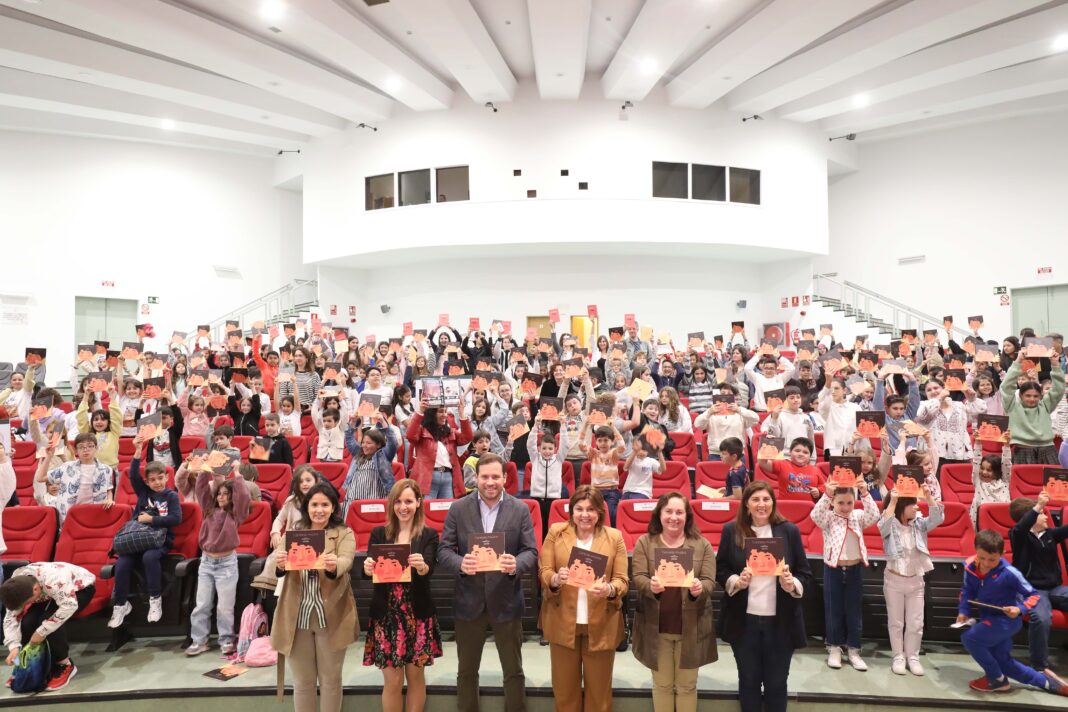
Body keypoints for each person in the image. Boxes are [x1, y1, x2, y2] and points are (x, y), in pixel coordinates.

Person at [436, 454, 538, 712]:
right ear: (476, 477)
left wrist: (516, 563)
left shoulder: (520, 509)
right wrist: (460, 563)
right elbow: (444, 551)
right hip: (468, 601)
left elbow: (530, 551)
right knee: (466, 672)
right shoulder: (458, 508)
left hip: (506, 601)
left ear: (505, 477)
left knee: (513, 671)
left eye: (495, 476)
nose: (490, 482)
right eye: (485, 477)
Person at [716, 481, 812, 712]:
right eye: (756, 499)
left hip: (781, 621)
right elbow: (721, 569)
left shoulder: (789, 531)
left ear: (773, 502)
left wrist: (791, 584)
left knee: (777, 683)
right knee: (748, 681)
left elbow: (805, 573)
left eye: (766, 499)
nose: (762, 504)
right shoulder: (731, 530)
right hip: (744, 621)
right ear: (746, 504)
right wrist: (736, 581)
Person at [538, 486, 627, 712]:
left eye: (591, 509)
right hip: (562, 621)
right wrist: (555, 579)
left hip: (601, 624)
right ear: (571, 511)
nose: (585, 514)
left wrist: (609, 589)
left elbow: (622, 580)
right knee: (565, 693)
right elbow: (544, 571)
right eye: (579, 509)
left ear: (600, 512)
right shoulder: (556, 532)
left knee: (599, 695)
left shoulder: (614, 537)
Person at [272, 483, 359, 712]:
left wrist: (334, 565)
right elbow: (278, 565)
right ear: (307, 507)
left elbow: (346, 560)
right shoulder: (294, 532)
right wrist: (280, 564)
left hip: (331, 616)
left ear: (333, 507)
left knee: (331, 681)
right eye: (314, 505)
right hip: (296, 616)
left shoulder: (344, 533)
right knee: (302, 682)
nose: (319, 510)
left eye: (325, 505)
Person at [632, 492, 716, 712]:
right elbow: (638, 576)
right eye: (668, 511)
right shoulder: (645, 542)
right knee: (662, 685)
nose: (674, 517)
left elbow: (709, 581)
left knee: (687, 686)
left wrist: (700, 588)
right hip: (656, 627)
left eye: (679, 512)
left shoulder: (702, 544)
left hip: (691, 628)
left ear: (687, 516)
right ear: (659, 514)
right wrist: (649, 586)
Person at [363, 479, 442, 712]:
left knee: (416, 677)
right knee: (393, 681)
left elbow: (429, 570)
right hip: (386, 616)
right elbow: (369, 571)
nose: (403, 507)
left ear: (418, 502)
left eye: (408, 501)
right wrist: (366, 568)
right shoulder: (379, 533)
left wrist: (422, 566)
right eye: (398, 502)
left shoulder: (429, 535)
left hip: (418, 614)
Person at [957, 530, 1067, 695]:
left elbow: (1034, 595)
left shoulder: (1010, 573)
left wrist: (1020, 609)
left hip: (1007, 621)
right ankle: (1048, 683)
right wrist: (963, 611)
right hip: (988, 618)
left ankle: (996, 679)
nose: (986, 563)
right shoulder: (970, 566)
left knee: (970, 638)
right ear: (975, 550)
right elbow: (967, 592)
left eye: (992, 559)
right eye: (982, 558)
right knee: (1005, 663)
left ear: (1002, 554)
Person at [108, 435, 183, 628]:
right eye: (152, 480)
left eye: (160, 478)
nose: (157, 482)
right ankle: (120, 604)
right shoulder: (144, 493)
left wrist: (152, 519)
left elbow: (176, 518)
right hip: (137, 538)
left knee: (149, 558)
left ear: (167, 477)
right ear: (147, 482)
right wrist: (137, 451)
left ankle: (155, 599)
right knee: (122, 563)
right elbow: (133, 474)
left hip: (160, 540)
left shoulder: (171, 496)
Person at [810, 480, 879, 670]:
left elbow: (874, 515)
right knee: (833, 610)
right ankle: (834, 647)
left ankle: (854, 650)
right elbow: (815, 515)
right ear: (833, 502)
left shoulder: (858, 516)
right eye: (841, 503)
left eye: (849, 502)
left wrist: (865, 493)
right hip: (833, 569)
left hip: (855, 570)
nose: (846, 507)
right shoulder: (829, 517)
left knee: (854, 611)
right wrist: (827, 494)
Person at [186, 463, 251, 656]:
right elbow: (201, 489)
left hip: (226, 565)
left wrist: (237, 473)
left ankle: (226, 640)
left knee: (225, 607)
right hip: (206, 563)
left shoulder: (236, 514)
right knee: (202, 605)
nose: (221, 497)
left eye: (226, 494)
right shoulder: (208, 508)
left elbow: (243, 496)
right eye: (219, 494)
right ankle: (199, 640)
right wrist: (204, 470)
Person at [878, 483, 942, 675]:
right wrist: (893, 500)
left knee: (916, 623)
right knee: (896, 622)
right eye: (912, 503)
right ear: (901, 506)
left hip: (916, 581)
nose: (917, 506)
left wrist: (929, 497)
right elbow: (883, 525)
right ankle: (898, 656)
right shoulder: (890, 524)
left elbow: (937, 518)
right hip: (894, 580)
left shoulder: (919, 524)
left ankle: (913, 657)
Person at [1, 562, 96, 691]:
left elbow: (69, 607)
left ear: (35, 590)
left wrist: (41, 632)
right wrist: (13, 647)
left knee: (47, 621)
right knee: (27, 622)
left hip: (79, 587)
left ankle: (65, 665)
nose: (26, 605)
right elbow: (10, 618)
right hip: (47, 592)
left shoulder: (55, 580)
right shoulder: (16, 584)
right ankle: (29, 664)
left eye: (27, 602)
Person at [1008, 492, 1068, 672]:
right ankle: (1039, 666)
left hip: (1055, 588)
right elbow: (1021, 527)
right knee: (1041, 619)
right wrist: (1038, 505)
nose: (1046, 516)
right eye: (1042, 514)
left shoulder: (1050, 534)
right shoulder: (1019, 536)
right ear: (1030, 517)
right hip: (1032, 590)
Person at [34, 432, 114, 526]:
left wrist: (110, 499)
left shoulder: (106, 469)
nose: (86, 450)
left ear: (96, 448)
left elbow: (108, 489)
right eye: (81, 447)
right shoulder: (67, 467)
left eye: (90, 446)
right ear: (76, 450)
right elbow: (40, 478)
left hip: (96, 514)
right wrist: (48, 457)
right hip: (70, 515)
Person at [1000, 352, 1065, 465]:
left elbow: (1058, 389)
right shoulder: (1012, 405)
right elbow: (1006, 386)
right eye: (1028, 396)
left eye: (1035, 396)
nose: (1032, 399)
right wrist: (1018, 361)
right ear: (1020, 396)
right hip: (1022, 449)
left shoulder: (1045, 405)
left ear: (1040, 396)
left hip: (1048, 449)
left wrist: (1055, 365)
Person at [407, 390, 472, 500]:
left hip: (448, 477)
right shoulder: (422, 431)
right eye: (441, 412)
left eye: (446, 411)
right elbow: (410, 435)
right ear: (432, 414)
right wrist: (420, 411)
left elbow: (467, 437)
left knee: (446, 509)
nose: (445, 415)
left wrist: (461, 413)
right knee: (426, 509)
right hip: (428, 478)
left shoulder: (450, 432)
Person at [342, 411, 400, 505]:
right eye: (363, 442)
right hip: (353, 500)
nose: (364, 446)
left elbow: (392, 442)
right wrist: (352, 422)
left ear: (378, 445)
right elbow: (349, 437)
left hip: (375, 501)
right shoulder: (358, 452)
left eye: (368, 443)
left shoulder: (384, 455)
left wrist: (383, 422)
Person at [759, 436, 823, 502]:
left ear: (810, 456)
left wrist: (818, 491)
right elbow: (762, 463)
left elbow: (824, 487)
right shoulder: (782, 464)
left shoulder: (815, 470)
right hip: (784, 506)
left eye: (805, 452)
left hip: (809, 507)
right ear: (790, 452)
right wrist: (768, 443)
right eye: (797, 451)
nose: (801, 454)